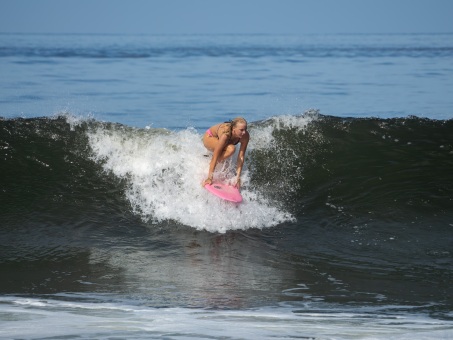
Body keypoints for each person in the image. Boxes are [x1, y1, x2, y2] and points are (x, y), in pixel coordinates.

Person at [202, 117, 250, 188]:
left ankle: (214, 162)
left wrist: (238, 177)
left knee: (230, 149)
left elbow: (241, 157)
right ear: (234, 129)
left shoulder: (245, 136)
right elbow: (215, 155)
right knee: (231, 149)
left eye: (245, 129)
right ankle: (212, 165)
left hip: (220, 139)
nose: (244, 132)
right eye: (241, 130)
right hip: (209, 137)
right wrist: (209, 178)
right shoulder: (225, 135)